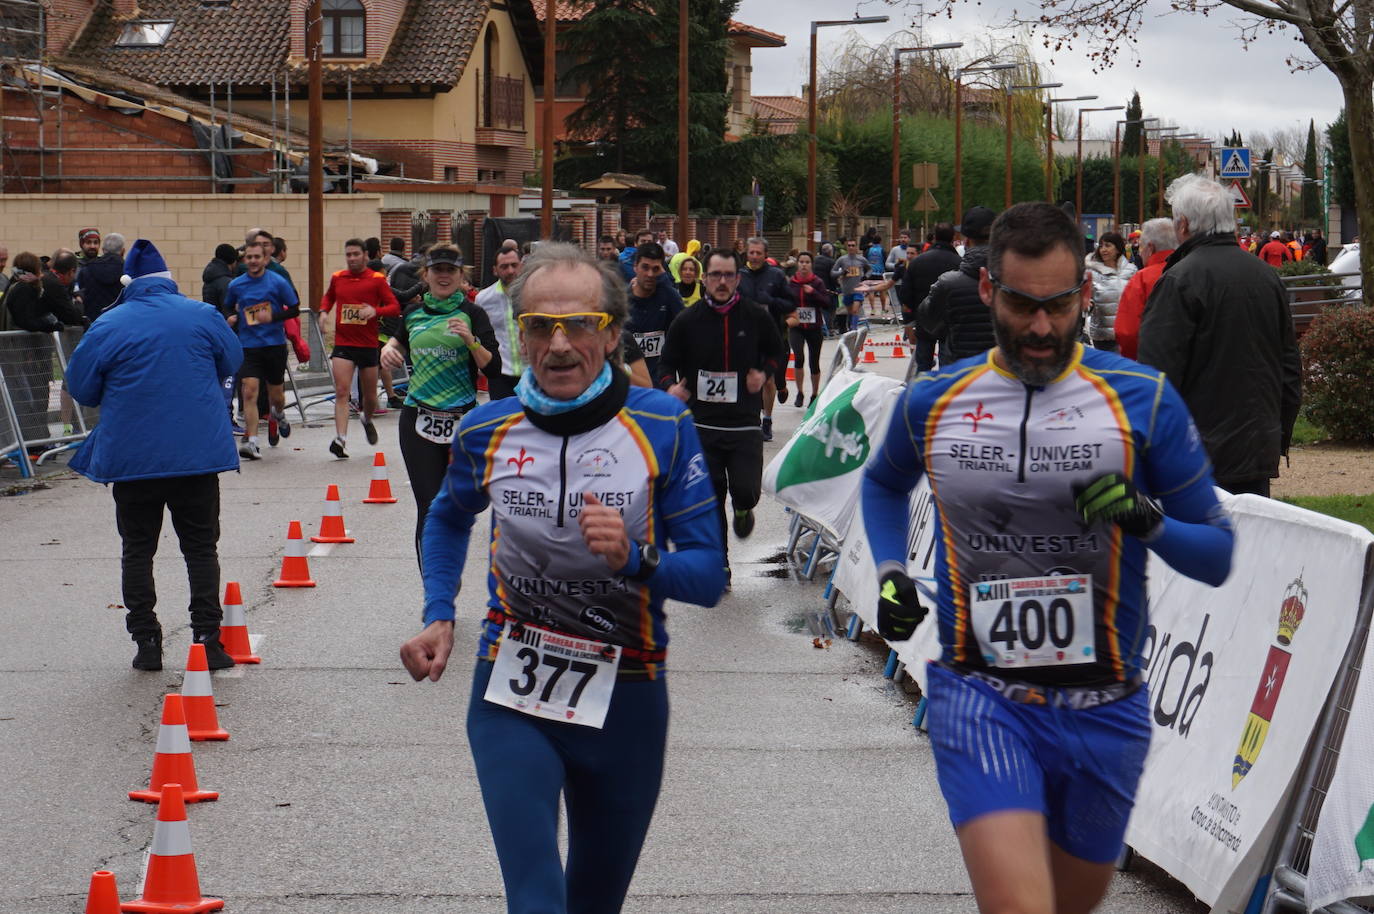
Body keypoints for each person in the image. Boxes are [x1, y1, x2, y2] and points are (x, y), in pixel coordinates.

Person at [862, 201, 1235, 914]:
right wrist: (889, 573)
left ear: (1084, 294)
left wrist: (1147, 520)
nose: (1041, 328)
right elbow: (883, 483)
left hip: (1105, 711)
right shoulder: (935, 400)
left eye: (1059, 306)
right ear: (987, 290)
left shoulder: (1143, 400)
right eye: (1022, 305)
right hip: (981, 696)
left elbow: (1216, 556)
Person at [397, 242, 725, 914]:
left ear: (612, 333)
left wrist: (635, 558)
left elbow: (707, 576)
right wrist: (439, 612)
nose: (559, 344)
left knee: (593, 904)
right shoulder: (486, 429)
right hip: (512, 685)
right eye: (540, 326)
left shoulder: (662, 423)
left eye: (580, 323)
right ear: (519, 336)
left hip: (628, 692)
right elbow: (447, 516)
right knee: (536, 897)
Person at [66, 239, 244, 672]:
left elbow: (82, 387)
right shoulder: (202, 315)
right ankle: (208, 640)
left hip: (133, 459)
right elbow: (232, 361)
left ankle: (146, 641)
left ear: (129, 284)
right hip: (196, 456)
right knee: (200, 548)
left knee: (137, 549)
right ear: (168, 280)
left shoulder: (109, 323)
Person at [1138, 173, 1302, 497]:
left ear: (1183, 225)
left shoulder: (1179, 280)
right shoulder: (1266, 277)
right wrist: (1277, 433)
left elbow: (1157, 377)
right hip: (1257, 444)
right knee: (1251, 528)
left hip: (1195, 454)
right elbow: (1289, 366)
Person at [658, 248, 783, 585]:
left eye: (729, 275)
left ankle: (743, 509)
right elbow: (666, 363)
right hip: (702, 425)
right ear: (705, 278)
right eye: (716, 275)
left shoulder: (755, 316)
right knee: (711, 498)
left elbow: (777, 350)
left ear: (738, 279)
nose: (722, 281)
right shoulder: (688, 320)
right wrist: (670, 386)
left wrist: (764, 372)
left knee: (746, 491)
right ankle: (721, 564)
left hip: (744, 423)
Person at [379, 245, 499, 565]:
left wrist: (471, 341)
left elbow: (492, 368)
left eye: (450, 270)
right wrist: (388, 350)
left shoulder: (473, 314)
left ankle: (449, 567)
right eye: (437, 270)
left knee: (458, 505)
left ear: (460, 276)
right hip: (418, 418)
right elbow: (396, 342)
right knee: (429, 507)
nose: (443, 276)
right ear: (426, 275)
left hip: (462, 422)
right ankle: (434, 583)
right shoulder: (413, 314)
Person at [318, 238, 402, 458]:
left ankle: (366, 417)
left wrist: (375, 311)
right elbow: (329, 297)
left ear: (365, 255)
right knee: (342, 391)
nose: (352, 258)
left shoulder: (377, 280)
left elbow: (394, 307)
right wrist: (324, 312)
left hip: (367, 345)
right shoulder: (338, 277)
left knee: (370, 397)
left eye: (356, 254)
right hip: (344, 344)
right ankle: (340, 439)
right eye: (348, 254)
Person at [223, 239, 298, 460]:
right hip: (248, 346)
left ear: (265, 259)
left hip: (274, 345)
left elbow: (294, 308)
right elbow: (227, 305)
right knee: (249, 391)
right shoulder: (236, 285)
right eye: (249, 257)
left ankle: (278, 413)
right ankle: (252, 441)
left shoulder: (277, 282)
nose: (253, 261)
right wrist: (230, 316)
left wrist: (272, 316)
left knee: (277, 396)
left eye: (257, 257)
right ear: (244, 260)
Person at [918, 206, 997, 364]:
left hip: (960, 369)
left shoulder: (948, 283)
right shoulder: (1017, 281)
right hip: (1002, 369)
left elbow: (928, 321)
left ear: (966, 241)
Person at [736, 237, 791, 441]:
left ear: (765, 254)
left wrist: (773, 303)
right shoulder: (739, 275)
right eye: (751, 252)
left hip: (770, 335)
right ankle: (751, 418)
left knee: (768, 380)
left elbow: (789, 303)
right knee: (746, 379)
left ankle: (766, 420)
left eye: (758, 253)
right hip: (745, 337)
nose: (755, 256)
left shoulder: (776, 275)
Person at [900, 222, 961, 372]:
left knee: (923, 365)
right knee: (947, 366)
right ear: (953, 237)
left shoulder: (918, 262)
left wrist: (913, 313)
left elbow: (905, 293)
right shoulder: (959, 263)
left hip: (924, 318)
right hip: (950, 320)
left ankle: (923, 386)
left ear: (934, 237)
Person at [1113, 218, 1177, 360]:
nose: (1140, 253)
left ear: (1150, 248)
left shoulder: (1141, 280)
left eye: (1141, 247)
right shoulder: (1192, 271)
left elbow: (1127, 332)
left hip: (1151, 362)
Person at [625, 241, 684, 386]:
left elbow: (685, 329)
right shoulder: (622, 302)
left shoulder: (669, 297)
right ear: (635, 267)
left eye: (655, 269)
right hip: (631, 387)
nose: (650, 274)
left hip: (661, 384)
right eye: (645, 267)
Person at [475, 244, 525, 400]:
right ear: (495, 270)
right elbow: (479, 334)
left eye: (514, 265)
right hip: (500, 374)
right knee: (502, 414)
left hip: (531, 371)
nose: (510, 271)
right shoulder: (484, 299)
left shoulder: (536, 294)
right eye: (504, 266)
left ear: (522, 266)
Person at [786, 252, 828, 407]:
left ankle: (814, 394)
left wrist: (814, 293)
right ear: (797, 264)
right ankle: (800, 392)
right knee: (798, 358)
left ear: (811, 265)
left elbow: (827, 303)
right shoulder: (792, 283)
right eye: (801, 262)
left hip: (814, 327)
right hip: (796, 327)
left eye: (807, 262)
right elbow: (785, 302)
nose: (804, 265)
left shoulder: (818, 282)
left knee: (814, 362)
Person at [1084, 231, 1137, 352]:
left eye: (1108, 245)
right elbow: (1086, 299)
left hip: (1126, 333)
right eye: (1101, 246)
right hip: (1102, 336)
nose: (1103, 249)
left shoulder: (1131, 270)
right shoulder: (1092, 272)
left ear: (1118, 249)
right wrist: (1087, 304)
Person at [78, 233, 126, 322]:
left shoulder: (86, 270)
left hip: (94, 322)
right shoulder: (128, 271)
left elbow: (81, 293)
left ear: (103, 250)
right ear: (123, 251)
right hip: (120, 321)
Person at [831, 238, 870, 336]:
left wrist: (865, 276)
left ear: (856, 247)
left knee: (855, 310)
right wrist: (841, 272)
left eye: (853, 245)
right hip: (847, 290)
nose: (851, 247)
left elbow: (870, 269)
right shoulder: (842, 259)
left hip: (858, 289)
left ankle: (854, 330)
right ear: (846, 247)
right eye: (849, 245)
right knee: (850, 312)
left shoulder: (861, 259)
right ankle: (851, 329)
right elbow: (832, 272)